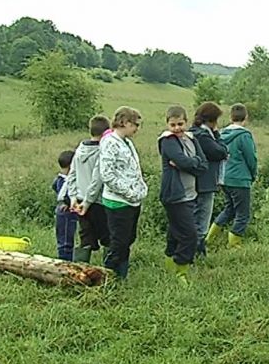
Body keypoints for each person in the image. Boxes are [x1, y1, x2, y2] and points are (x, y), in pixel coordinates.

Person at [157, 105, 208, 285]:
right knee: (189, 235)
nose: (177, 128)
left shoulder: (191, 139)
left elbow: (203, 165)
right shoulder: (167, 141)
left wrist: (187, 163)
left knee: (175, 231)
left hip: (190, 193)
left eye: (180, 123)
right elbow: (182, 160)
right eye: (173, 124)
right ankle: (181, 271)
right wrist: (188, 163)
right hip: (175, 195)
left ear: (186, 122)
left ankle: (170, 264)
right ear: (167, 124)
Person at [99, 106, 148, 279]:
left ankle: (122, 276)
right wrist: (128, 192)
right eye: (135, 125)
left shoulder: (126, 142)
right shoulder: (110, 142)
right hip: (118, 201)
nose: (137, 129)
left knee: (128, 239)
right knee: (119, 242)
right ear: (125, 122)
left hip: (132, 200)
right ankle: (107, 276)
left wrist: (141, 188)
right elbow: (107, 175)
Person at [204, 103, 258, 249]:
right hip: (240, 179)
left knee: (229, 209)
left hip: (224, 178)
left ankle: (209, 238)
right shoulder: (244, 136)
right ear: (246, 118)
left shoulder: (221, 133)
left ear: (231, 117)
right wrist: (253, 175)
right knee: (243, 214)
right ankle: (234, 244)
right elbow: (251, 158)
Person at [67, 114, 111, 264]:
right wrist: (88, 201)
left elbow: (71, 175)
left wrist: (73, 197)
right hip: (97, 201)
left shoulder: (79, 149)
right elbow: (96, 181)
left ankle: (79, 270)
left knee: (85, 237)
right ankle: (110, 271)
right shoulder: (102, 152)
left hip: (79, 200)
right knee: (108, 237)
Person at [189, 102, 228, 257]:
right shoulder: (203, 136)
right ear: (212, 120)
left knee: (195, 216)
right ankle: (198, 252)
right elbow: (221, 152)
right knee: (202, 220)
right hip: (205, 184)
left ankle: (194, 250)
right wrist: (217, 135)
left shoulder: (194, 133)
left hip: (195, 182)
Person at [52, 150, 77, 261]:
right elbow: (66, 194)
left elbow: (54, 187)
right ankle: (65, 262)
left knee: (62, 238)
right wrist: (67, 202)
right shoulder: (68, 179)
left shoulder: (59, 178)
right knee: (66, 240)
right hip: (67, 211)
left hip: (61, 210)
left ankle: (64, 259)